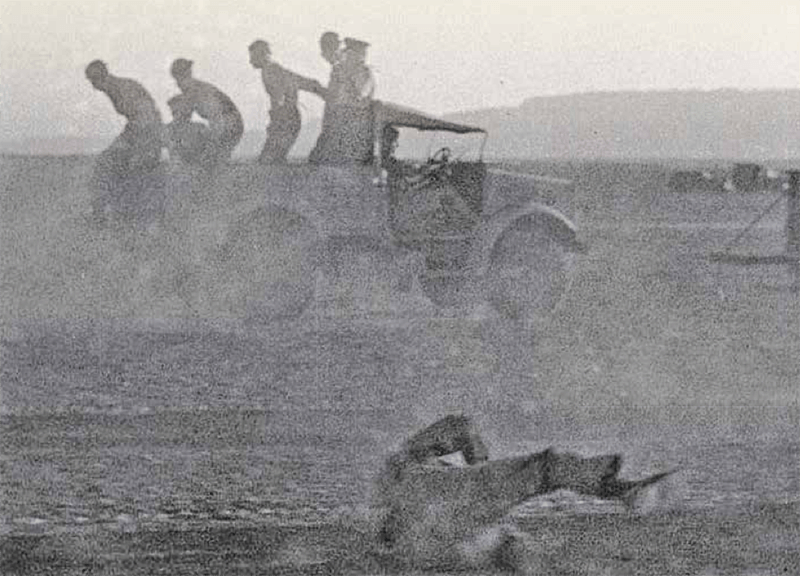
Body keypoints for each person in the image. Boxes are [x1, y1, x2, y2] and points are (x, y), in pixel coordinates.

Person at [84, 60, 163, 224]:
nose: (94, 87)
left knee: (127, 169)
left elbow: (147, 116)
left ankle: (124, 216)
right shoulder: (114, 88)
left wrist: (137, 145)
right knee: (107, 163)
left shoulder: (123, 88)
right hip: (137, 130)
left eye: (94, 81)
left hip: (147, 133)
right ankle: (103, 213)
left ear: (101, 77)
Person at [248, 40, 325, 163]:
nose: (251, 61)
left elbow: (280, 96)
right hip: (288, 118)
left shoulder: (270, 70)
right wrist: (321, 91)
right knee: (272, 158)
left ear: (262, 54)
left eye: (253, 57)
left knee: (270, 160)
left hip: (285, 119)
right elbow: (303, 82)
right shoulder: (274, 69)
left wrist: (276, 120)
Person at [309, 36, 376, 164]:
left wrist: (344, 78)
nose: (346, 56)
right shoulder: (340, 71)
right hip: (336, 126)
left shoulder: (362, 72)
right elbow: (335, 97)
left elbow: (359, 96)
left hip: (350, 131)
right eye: (347, 53)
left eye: (350, 53)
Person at [170, 58, 244, 166]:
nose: (178, 85)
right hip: (225, 125)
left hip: (229, 125)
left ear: (187, 76)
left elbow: (217, 118)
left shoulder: (200, 91)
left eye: (180, 79)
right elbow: (182, 120)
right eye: (177, 80)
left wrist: (211, 146)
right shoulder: (191, 92)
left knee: (210, 162)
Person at [163, 93, 210, 166]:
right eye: (177, 110)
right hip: (175, 167)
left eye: (189, 109)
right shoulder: (167, 129)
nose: (189, 112)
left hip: (197, 167)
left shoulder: (200, 128)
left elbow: (210, 149)